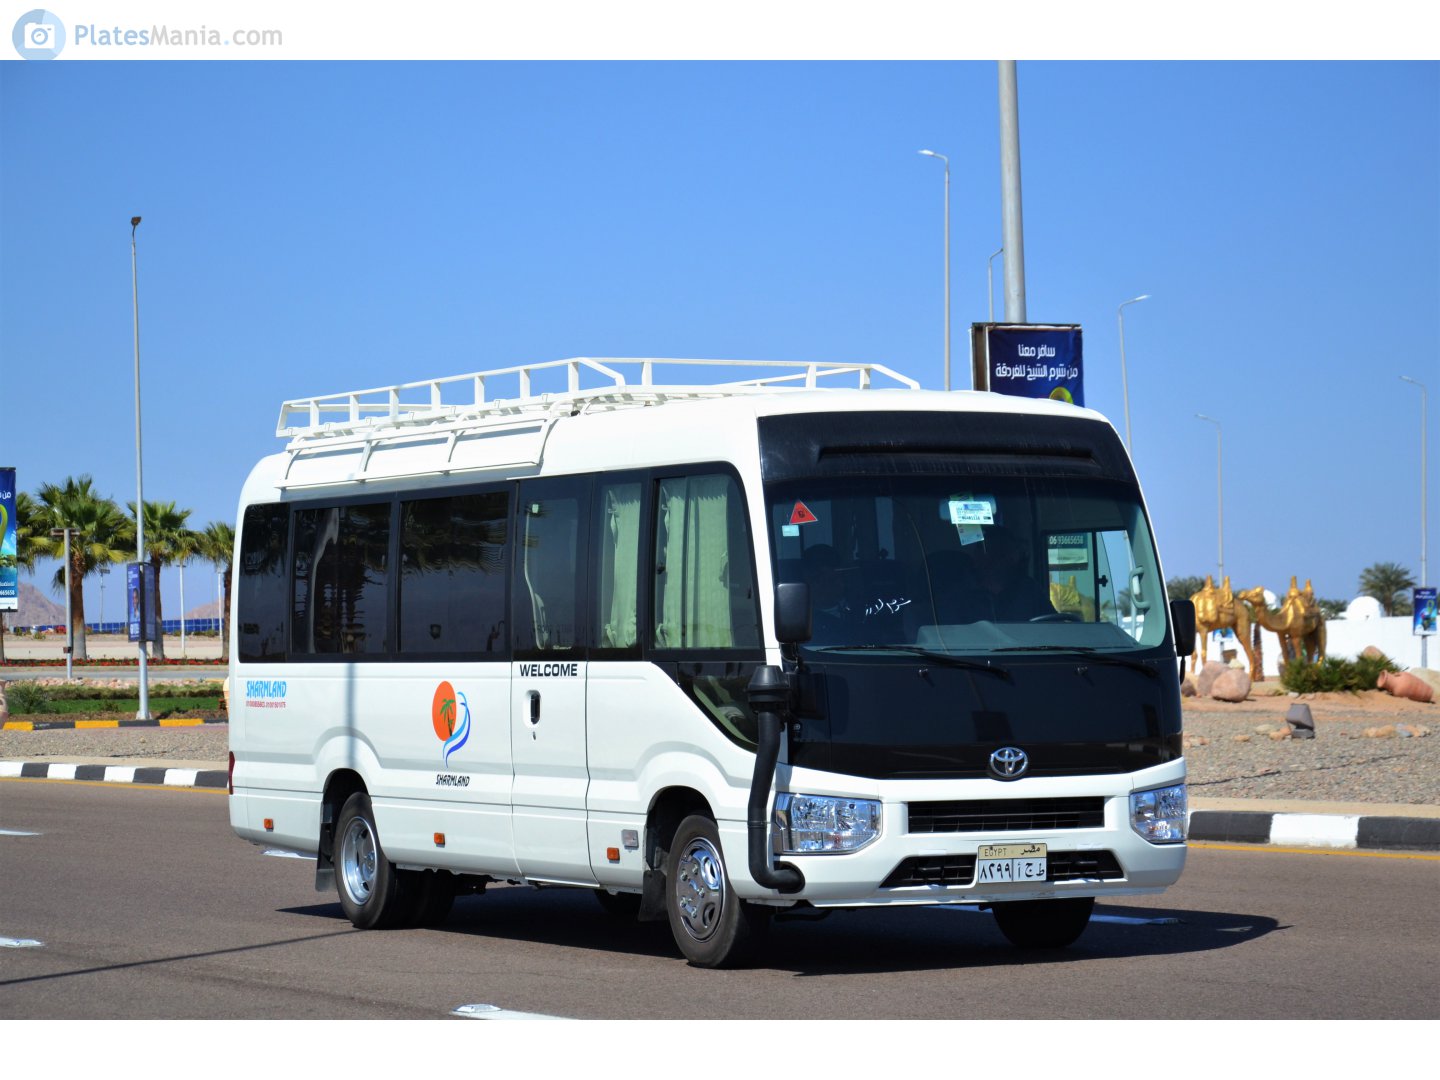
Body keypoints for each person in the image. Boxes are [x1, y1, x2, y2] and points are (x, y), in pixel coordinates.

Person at [958, 525, 1053, 622]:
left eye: (1005, 553)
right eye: (994, 552)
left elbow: (1054, 625)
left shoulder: (1029, 589)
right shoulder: (962, 594)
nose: (1001, 559)